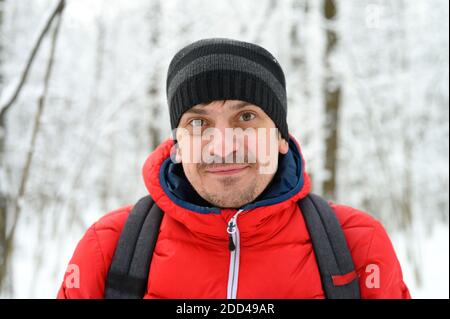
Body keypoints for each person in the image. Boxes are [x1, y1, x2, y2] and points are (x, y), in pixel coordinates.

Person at [57, 38, 410, 299]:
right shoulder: (109, 248)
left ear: (281, 137)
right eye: (198, 123)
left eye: (246, 117)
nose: (223, 146)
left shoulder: (358, 246)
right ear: (176, 144)